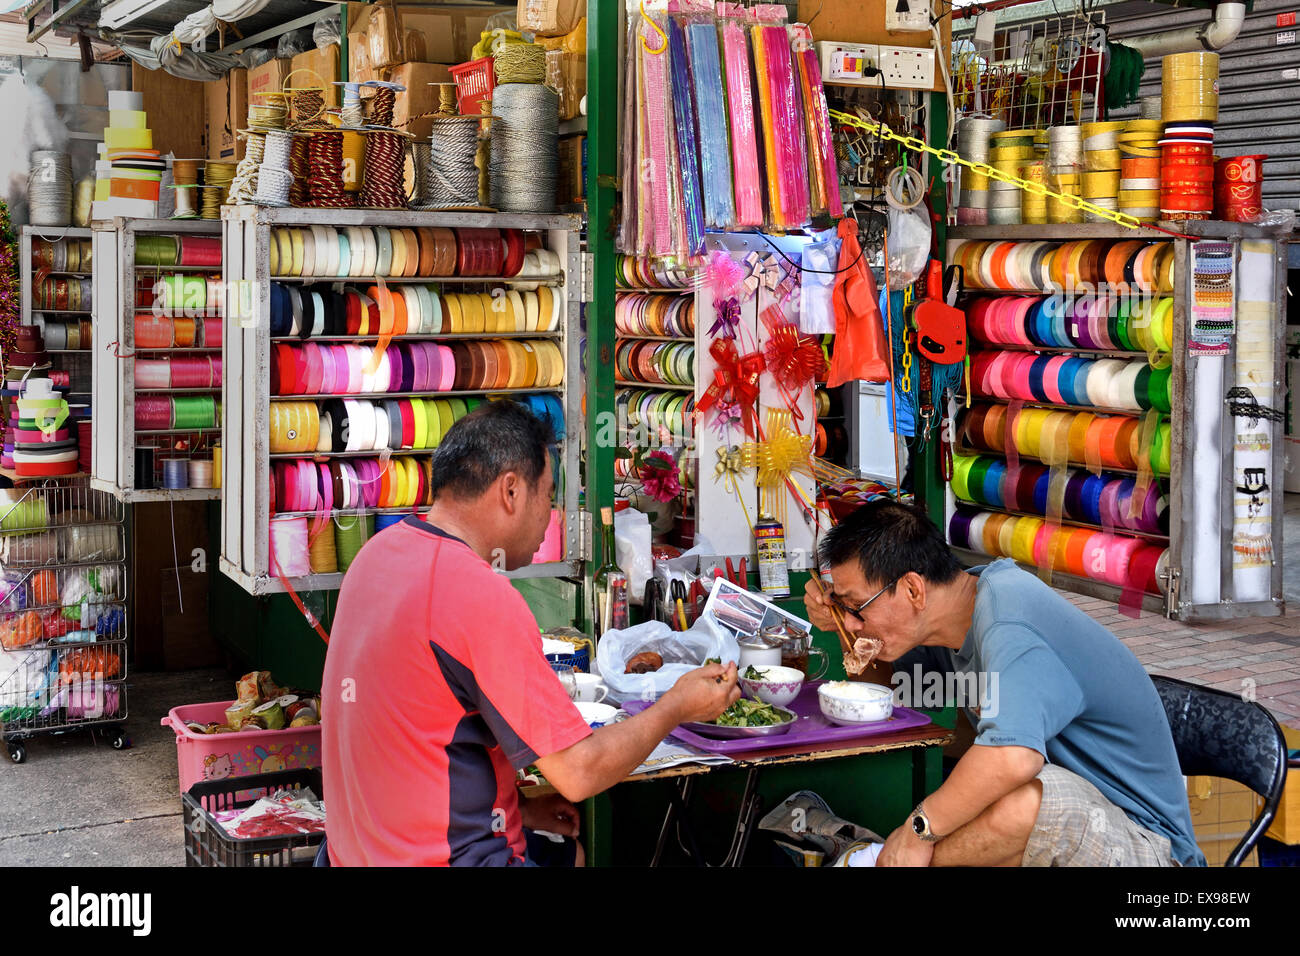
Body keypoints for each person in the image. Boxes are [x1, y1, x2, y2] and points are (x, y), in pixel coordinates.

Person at [321, 400, 739, 866]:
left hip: (351, 852)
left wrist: (517, 809)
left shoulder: (378, 554)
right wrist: (676, 706)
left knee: (569, 852)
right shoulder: (475, 593)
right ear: (511, 492)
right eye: (548, 494)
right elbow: (579, 772)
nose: (550, 515)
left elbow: (410, 736)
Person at [803, 498, 1203, 867]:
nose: (852, 619)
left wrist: (916, 833)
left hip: (1150, 846)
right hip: (1076, 835)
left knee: (1023, 801)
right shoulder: (946, 626)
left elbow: (1014, 759)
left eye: (857, 606)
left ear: (912, 589)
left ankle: (874, 863)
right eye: (844, 608)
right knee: (980, 787)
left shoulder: (1009, 615)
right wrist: (842, 626)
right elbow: (891, 699)